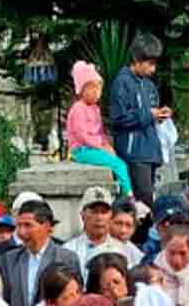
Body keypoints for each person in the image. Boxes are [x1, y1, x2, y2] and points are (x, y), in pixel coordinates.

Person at [110, 33, 167, 208]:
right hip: (134, 154)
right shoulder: (122, 83)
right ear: (136, 59)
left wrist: (160, 115)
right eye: (149, 63)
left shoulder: (149, 85)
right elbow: (119, 118)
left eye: (155, 64)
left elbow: (151, 112)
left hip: (150, 152)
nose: (153, 69)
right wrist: (149, 115)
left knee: (147, 202)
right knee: (143, 204)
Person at [3, 201, 81, 306]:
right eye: (19, 226)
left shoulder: (66, 259)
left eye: (28, 225)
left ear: (47, 227)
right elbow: (6, 301)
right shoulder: (10, 259)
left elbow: (74, 302)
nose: (21, 232)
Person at [67, 61, 133, 198]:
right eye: (91, 88)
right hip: (81, 150)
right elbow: (82, 136)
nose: (96, 93)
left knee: (115, 159)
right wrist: (100, 147)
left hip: (95, 148)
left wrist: (106, 145)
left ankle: (119, 194)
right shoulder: (78, 108)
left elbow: (100, 132)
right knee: (119, 165)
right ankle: (127, 195)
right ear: (82, 90)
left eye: (98, 89)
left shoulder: (95, 109)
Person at [64, 187, 142, 278]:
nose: (99, 218)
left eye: (104, 212)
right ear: (83, 215)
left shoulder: (126, 251)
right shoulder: (69, 250)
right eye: (94, 212)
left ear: (111, 215)